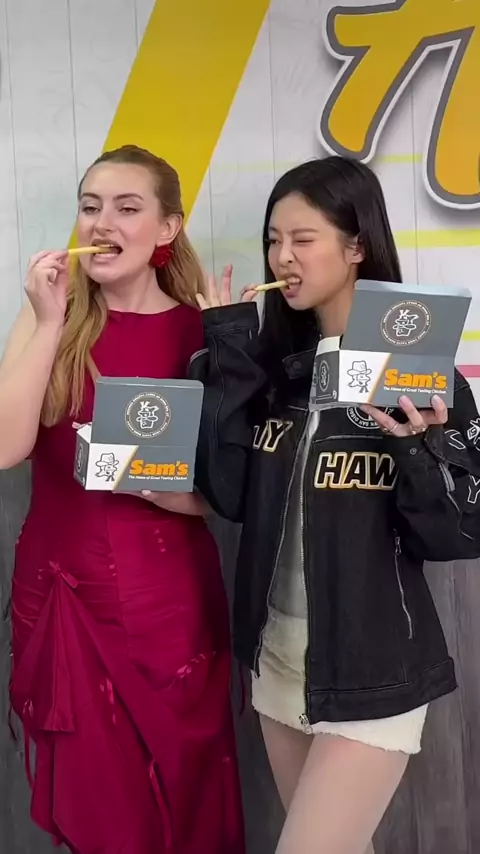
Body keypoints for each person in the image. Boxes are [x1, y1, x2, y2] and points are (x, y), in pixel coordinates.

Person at [192, 156, 480, 854]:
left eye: (303, 238)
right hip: (277, 664)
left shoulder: (423, 376)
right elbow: (229, 494)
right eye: (273, 240)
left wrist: (417, 447)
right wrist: (230, 354)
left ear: (356, 247)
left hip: (373, 671)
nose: (282, 257)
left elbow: (458, 534)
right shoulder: (277, 373)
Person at [0, 145, 244, 854]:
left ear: (167, 228)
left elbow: (229, 493)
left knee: (184, 792)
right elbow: (7, 448)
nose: (102, 223)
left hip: (171, 601)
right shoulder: (49, 316)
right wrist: (48, 322)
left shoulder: (201, 333)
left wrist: (166, 495)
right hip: (64, 594)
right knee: (102, 810)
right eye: (90, 206)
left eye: (127, 208)